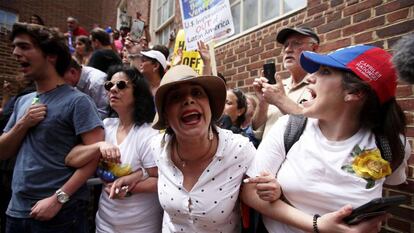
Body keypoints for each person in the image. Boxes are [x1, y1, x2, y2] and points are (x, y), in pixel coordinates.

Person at [242, 45, 411, 233]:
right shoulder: (288, 128)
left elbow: (394, 182)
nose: (309, 77)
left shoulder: (391, 143)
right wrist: (318, 225)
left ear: (355, 93)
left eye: (325, 71)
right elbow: (249, 192)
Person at [0, 22, 104, 232]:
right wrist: (23, 124)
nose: (15, 53)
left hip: (60, 216)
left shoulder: (78, 102)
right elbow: (3, 152)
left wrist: (58, 199)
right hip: (17, 212)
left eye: (24, 47)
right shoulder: (23, 102)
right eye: (15, 47)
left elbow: (96, 153)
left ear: (51, 56)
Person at [151, 65, 256, 232]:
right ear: (165, 115)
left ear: (209, 105)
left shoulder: (239, 150)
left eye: (197, 93)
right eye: (176, 97)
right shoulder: (158, 147)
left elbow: (266, 192)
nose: (189, 100)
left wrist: (274, 188)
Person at [65, 65, 162, 232]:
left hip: (140, 227)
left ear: (137, 92)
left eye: (121, 85)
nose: (113, 89)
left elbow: (159, 179)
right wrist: (99, 145)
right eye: (109, 85)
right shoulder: (106, 126)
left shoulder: (148, 134)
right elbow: (71, 159)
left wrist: (129, 187)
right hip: (104, 223)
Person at [252, 26, 319, 140]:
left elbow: (315, 130)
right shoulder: (276, 88)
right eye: (285, 45)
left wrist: (280, 100)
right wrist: (263, 103)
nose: (288, 49)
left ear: (314, 48)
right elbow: (257, 133)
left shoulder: (321, 85)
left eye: (296, 43)